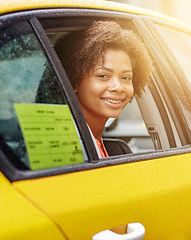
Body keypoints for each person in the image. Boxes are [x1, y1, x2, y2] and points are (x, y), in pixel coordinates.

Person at [54, 21, 152, 158]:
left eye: (126, 77)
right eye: (103, 76)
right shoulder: (67, 148)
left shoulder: (92, 142)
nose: (118, 87)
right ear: (73, 81)